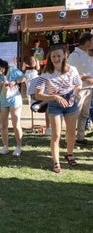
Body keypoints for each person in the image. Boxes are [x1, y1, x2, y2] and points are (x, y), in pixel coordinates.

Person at [35, 44, 82, 173]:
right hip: (55, 104)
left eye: (59, 56)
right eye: (53, 56)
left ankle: (70, 154)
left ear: (65, 56)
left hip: (70, 102)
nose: (56, 58)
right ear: (49, 57)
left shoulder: (72, 69)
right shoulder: (45, 73)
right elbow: (38, 94)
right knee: (56, 135)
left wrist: (74, 95)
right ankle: (56, 162)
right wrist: (55, 97)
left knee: (71, 133)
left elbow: (78, 85)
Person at [0, 59, 26, 156]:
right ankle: (5, 146)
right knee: (4, 125)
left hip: (14, 100)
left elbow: (24, 78)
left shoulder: (12, 69)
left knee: (16, 124)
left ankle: (19, 147)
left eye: (0, 70)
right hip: (2, 101)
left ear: (3, 66)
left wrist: (14, 82)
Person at [67, 32, 93, 145]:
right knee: (75, 113)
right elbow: (69, 72)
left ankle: (80, 137)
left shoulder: (88, 54)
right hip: (80, 89)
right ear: (88, 42)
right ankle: (70, 137)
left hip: (89, 88)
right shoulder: (75, 55)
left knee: (84, 114)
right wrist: (86, 78)